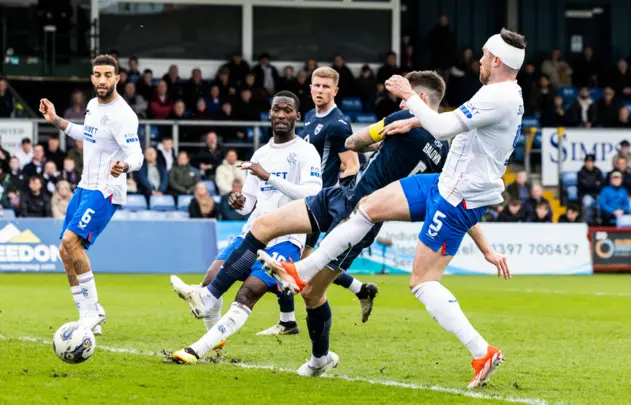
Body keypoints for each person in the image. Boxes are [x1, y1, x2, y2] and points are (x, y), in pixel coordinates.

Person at [257, 29, 523, 387]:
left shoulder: (498, 96)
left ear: (497, 61)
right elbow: (462, 126)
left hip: (457, 196)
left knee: (422, 282)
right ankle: (302, 269)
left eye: (484, 56)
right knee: (367, 207)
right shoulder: (505, 94)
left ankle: (482, 352)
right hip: (446, 183)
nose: (479, 61)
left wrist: (409, 97)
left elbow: (443, 127)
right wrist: (416, 117)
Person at [168, 72, 452, 369]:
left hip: (355, 208)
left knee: (311, 292)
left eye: (406, 98)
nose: (403, 103)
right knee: (265, 228)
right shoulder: (444, 148)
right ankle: (210, 296)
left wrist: (384, 133)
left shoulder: (396, 119)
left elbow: (354, 142)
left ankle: (319, 357)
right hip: (349, 205)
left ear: (420, 100)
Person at [170, 91, 322, 358]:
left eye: (288, 110)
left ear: (297, 116)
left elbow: (312, 194)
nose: (282, 115)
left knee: (248, 291)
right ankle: (216, 340)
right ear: (271, 114)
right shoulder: (261, 153)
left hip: (287, 238)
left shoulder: (306, 151)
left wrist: (269, 176)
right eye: (277, 110)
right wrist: (239, 200)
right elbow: (250, 203)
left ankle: (198, 349)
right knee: (212, 278)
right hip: (252, 233)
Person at [256, 66, 368, 335]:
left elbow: (351, 166)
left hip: (316, 205)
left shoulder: (338, 125)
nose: (320, 91)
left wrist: (339, 203)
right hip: (301, 200)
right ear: (310, 88)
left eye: (326, 87)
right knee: (307, 261)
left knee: (285, 257)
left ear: (336, 91)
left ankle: (287, 321)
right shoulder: (308, 116)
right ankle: (360, 289)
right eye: (317, 86)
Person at [39, 54, 143, 335]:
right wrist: (55, 119)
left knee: (72, 242)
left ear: (117, 79)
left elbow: (137, 154)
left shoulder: (124, 115)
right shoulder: (92, 106)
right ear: (92, 78)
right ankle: (87, 314)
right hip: (85, 186)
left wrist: (127, 166)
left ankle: (94, 310)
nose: (102, 79)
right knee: (64, 249)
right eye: (98, 74)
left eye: (108, 75)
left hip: (106, 189)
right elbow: (87, 134)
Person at [577, 154, 604, 224]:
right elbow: (584, 186)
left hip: (597, 194)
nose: (589, 163)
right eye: (587, 161)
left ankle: (600, 223)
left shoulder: (598, 171)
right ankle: (587, 222)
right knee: (587, 202)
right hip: (585, 194)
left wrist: (590, 184)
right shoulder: (581, 173)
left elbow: (601, 185)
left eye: (591, 161)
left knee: (602, 202)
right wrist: (595, 184)